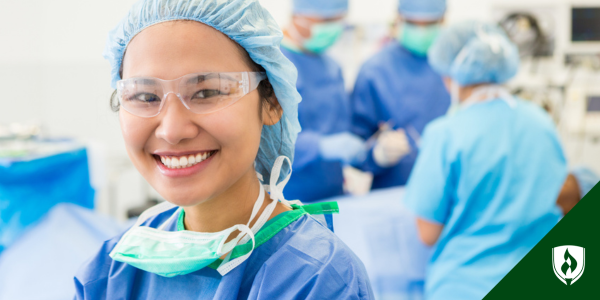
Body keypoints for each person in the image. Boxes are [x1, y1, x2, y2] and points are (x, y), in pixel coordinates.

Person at [74, 0, 374, 299]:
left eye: (207, 92)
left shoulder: (316, 279)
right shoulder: (110, 272)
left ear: (272, 102)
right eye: (145, 96)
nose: (172, 130)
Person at [402, 21, 568, 300]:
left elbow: (428, 232)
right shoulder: (541, 122)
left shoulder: (446, 133)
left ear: (450, 76)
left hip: (466, 287)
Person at [350, 0, 450, 189]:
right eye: (413, 23)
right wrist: (378, 154)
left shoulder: (457, 68)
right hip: (393, 190)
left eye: (429, 24)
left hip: (449, 187)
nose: (421, 31)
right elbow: (357, 145)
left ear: (444, 20)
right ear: (398, 20)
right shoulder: (375, 70)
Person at [281, 0, 367, 201]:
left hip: (332, 193)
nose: (333, 28)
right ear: (297, 17)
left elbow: (344, 126)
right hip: (286, 197)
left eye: (339, 20)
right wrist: (319, 146)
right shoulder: (271, 65)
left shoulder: (332, 67)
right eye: (326, 20)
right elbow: (263, 139)